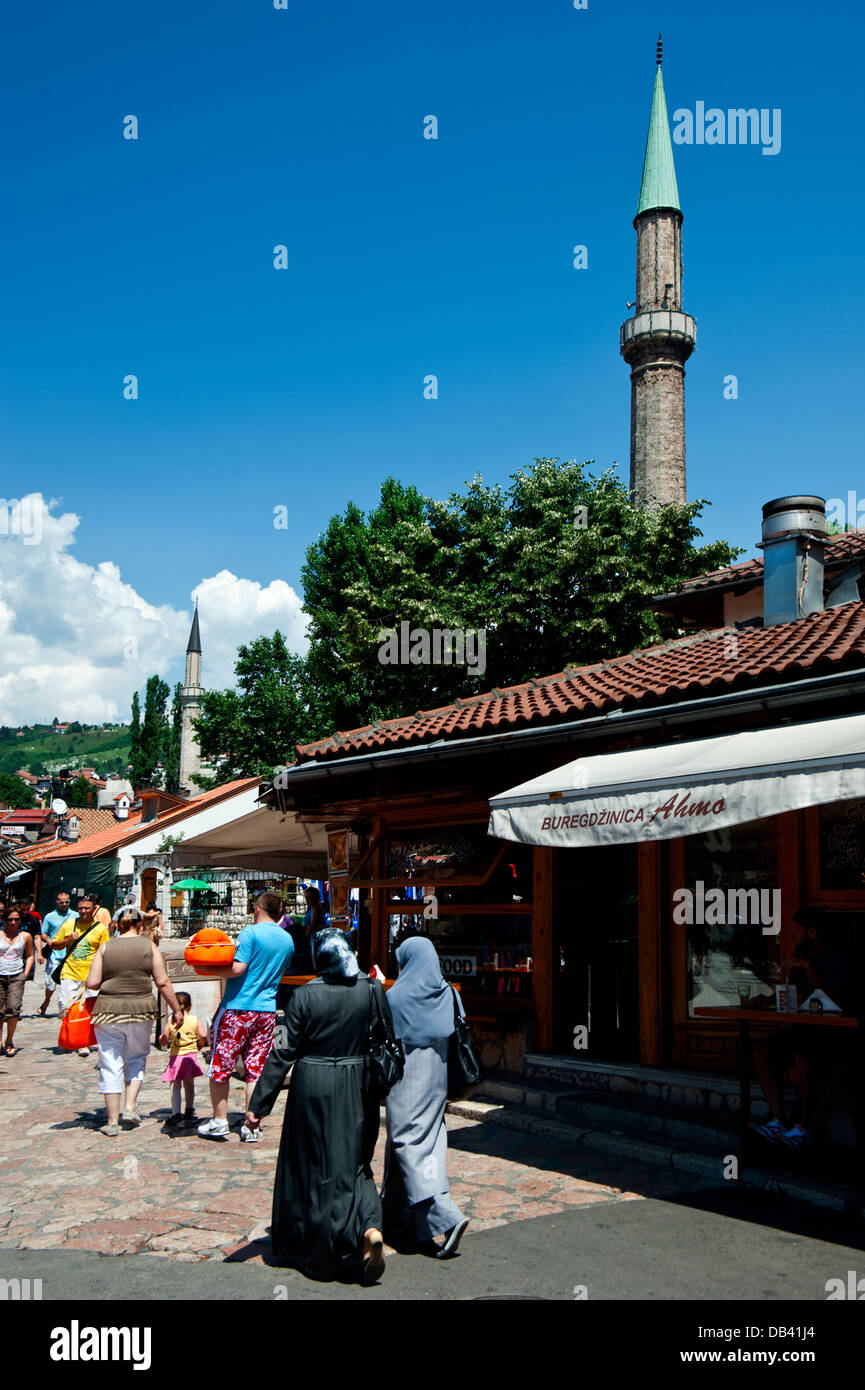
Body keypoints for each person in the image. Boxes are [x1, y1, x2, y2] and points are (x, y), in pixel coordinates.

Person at [245, 928, 394, 1284]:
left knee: (310, 1163)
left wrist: (258, 1104)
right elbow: (384, 1036)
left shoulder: (303, 997)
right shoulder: (372, 990)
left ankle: (315, 1243)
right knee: (357, 1162)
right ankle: (369, 1228)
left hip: (313, 1083)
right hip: (359, 1083)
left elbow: (282, 1052)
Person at [381, 935, 469, 1258]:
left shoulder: (397, 997)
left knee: (407, 1142)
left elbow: (383, 1030)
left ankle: (446, 1216)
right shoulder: (449, 994)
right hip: (438, 1081)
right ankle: (394, 1215)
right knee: (430, 1143)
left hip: (408, 1082)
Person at [751, 907, 854, 1148]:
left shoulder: (839, 957)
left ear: (813, 933)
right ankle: (777, 1121)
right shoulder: (801, 951)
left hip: (835, 1032)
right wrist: (767, 999)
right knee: (761, 1050)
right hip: (805, 1027)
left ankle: (803, 1128)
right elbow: (793, 992)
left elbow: (833, 1001)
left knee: (802, 1056)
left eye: (797, 931)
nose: (792, 936)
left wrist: (808, 967)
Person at [197, 892, 295, 1142]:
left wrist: (205, 967)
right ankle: (251, 1124)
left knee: (221, 1064)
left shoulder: (250, 933)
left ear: (259, 908)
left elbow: (238, 968)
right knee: (255, 1069)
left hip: (238, 1007)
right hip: (266, 1010)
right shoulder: (287, 940)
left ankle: (219, 1120)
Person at [85, 907, 184, 1137]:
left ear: (118, 925)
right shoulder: (149, 946)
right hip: (141, 1010)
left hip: (108, 1011)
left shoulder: (105, 947)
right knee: (136, 1058)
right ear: (140, 925)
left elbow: (92, 982)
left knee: (110, 1063)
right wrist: (176, 1010)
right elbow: (162, 981)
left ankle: (111, 1121)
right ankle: (129, 1108)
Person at [50, 896, 111, 1057]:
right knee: (66, 1006)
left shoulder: (100, 929)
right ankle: (68, 1038)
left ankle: (82, 1043)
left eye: (87, 908)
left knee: (86, 1011)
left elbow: (106, 952)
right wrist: (69, 939)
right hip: (70, 972)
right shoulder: (70, 924)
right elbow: (54, 944)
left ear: (94, 909)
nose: (83, 911)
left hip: (90, 976)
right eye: (81, 908)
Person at [160, 991, 207, 1126]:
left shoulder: (171, 1022)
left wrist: (164, 1037)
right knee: (189, 1084)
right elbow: (203, 1035)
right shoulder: (194, 1020)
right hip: (190, 1056)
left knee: (175, 1085)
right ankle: (189, 1109)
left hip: (175, 1057)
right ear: (190, 1006)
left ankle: (176, 1113)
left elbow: (164, 1040)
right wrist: (199, 1045)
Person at [35, 891, 78, 1016]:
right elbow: (43, 933)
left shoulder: (75, 915)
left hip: (71, 953)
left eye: (67, 902)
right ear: (57, 902)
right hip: (55, 953)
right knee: (50, 982)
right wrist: (48, 940)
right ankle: (46, 1002)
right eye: (62, 902)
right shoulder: (50, 916)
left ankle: (68, 1008)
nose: (64, 904)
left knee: (70, 982)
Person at [0, 908, 35, 1056]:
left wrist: (24, 974)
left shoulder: (25, 936)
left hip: (16, 976)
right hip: (0, 975)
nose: (13, 923)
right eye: (10, 919)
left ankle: (9, 1041)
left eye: (16, 919)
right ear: (4, 920)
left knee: (13, 1009)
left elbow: (30, 955)